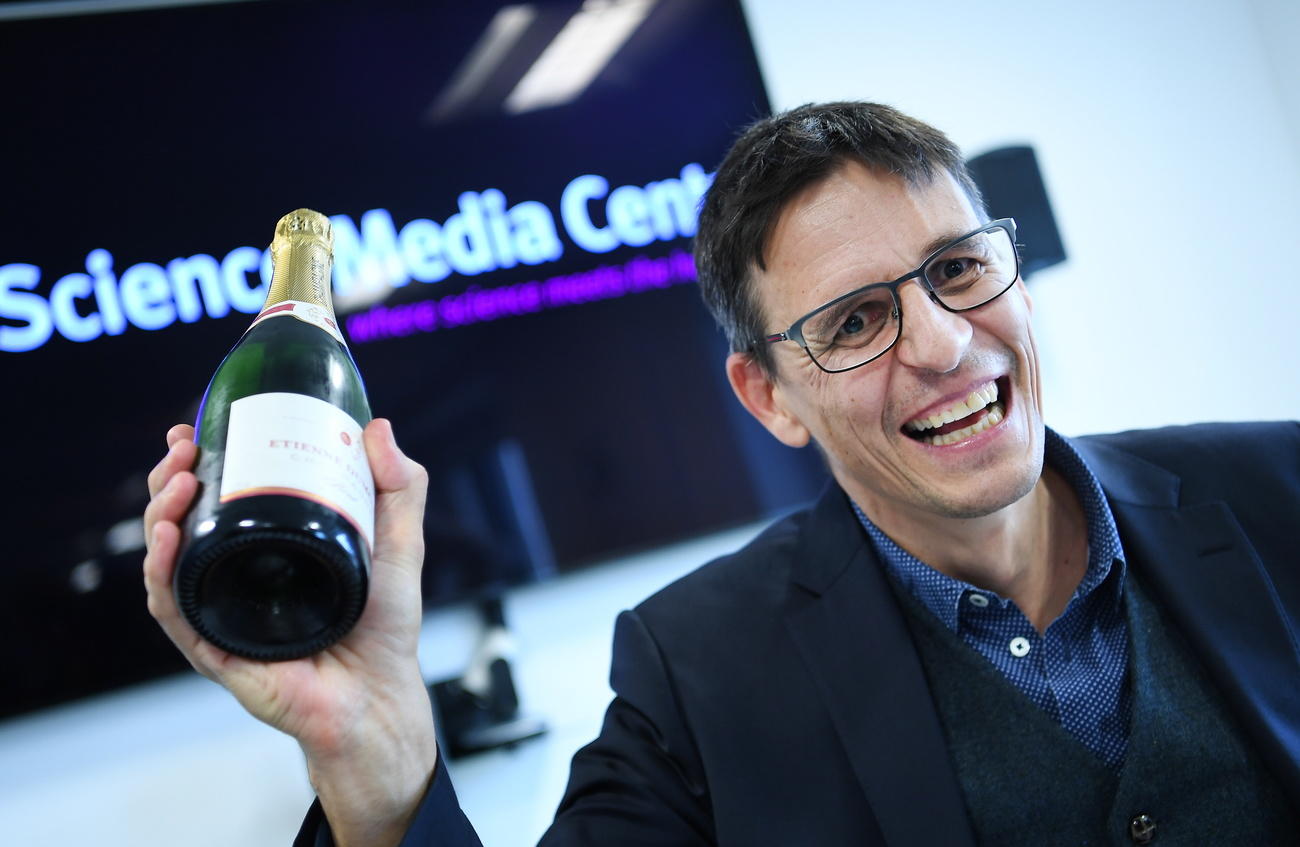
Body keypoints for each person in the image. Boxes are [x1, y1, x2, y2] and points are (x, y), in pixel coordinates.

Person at [143, 101, 1300, 846]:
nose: (946, 343)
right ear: (767, 397)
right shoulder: (695, 670)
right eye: (854, 322)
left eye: (957, 268)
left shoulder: (1278, 489)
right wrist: (372, 748)